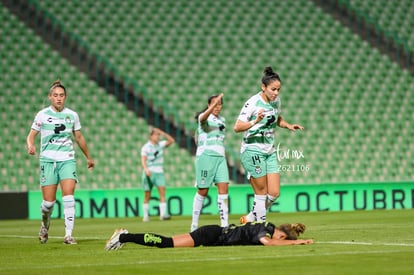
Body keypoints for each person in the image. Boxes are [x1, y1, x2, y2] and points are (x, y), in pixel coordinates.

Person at [26, 80, 94, 245]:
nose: (59, 98)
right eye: (55, 95)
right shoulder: (42, 115)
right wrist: (31, 145)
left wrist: (88, 157)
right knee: (48, 204)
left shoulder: (72, 115)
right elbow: (31, 134)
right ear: (50, 97)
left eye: (61, 95)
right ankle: (44, 224)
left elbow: (79, 137)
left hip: (67, 159)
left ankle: (68, 235)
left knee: (69, 197)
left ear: (65, 97)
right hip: (48, 160)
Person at [233, 67, 304, 223]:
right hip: (253, 149)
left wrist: (287, 125)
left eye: (278, 89)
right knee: (262, 191)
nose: (276, 93)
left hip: (269, 151)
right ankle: (261, 225)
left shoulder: (275, 101)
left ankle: (252, 216)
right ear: (263, 87)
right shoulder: (252, 103)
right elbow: (237, 127)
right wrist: (255, 121)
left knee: (274, 192)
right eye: (273, 89)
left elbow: (276, 118)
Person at [105, 222, 313, 250]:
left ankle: (125, 237)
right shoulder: (264, 231)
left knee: (167, 243)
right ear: (283, 236)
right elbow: (268, 243)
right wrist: (301, 242)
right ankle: (124, 237)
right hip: (210, 234)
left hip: (213, 234)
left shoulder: (268, 226)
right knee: (166, 243)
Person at [191, 93, 229, 232]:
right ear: (209, 105)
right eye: (214, 104)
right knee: (203, 191)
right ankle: (194, 225)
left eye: (219, 104)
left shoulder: (222, 120)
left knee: (224, 189)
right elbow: (202, 118)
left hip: (220, 157)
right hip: (206, 157)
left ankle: (225, 226)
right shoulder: (204, 118)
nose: (217, 107)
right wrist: (212, 106)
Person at [141, 127, 175, 221]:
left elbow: (172, 140)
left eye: (158, 135)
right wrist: (146, 169)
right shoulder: (146, 147)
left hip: (159, 171)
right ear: (151, 136)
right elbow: (143, 159)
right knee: (147, 194)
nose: (158, 136)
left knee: (162, 193)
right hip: (150, 172)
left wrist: (162, 132)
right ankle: (146, 216)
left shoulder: (160, 144)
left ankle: (162, 215)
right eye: (156, 134)